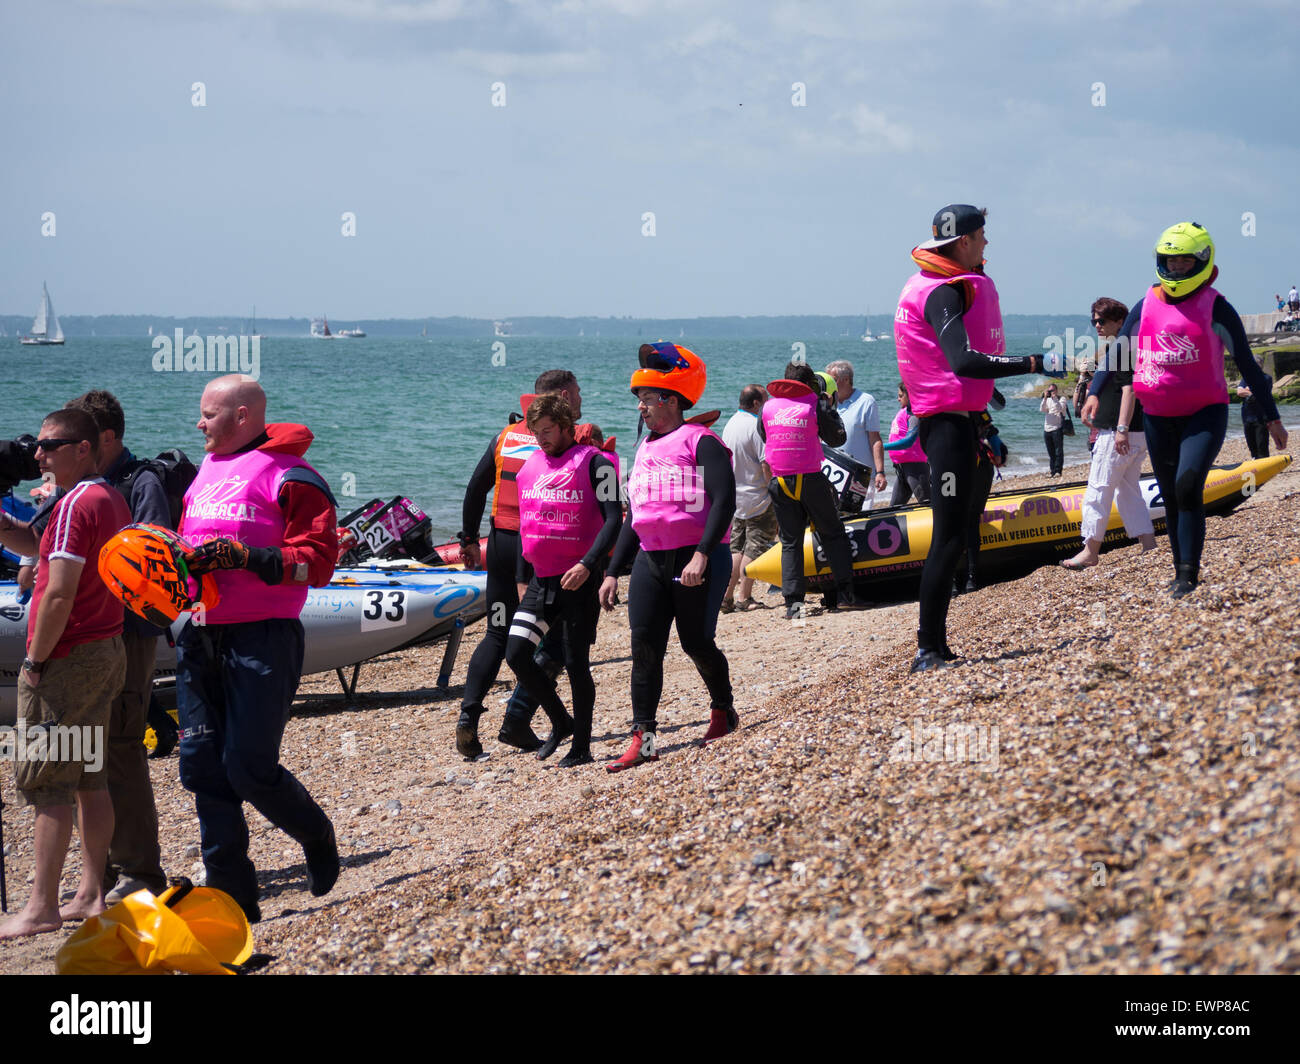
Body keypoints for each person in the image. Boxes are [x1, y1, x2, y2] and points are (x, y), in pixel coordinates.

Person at [176, 375, 340, 923]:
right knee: (202, 769)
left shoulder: (294, 477)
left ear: (243, 415)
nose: (199, 424)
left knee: (248, 767)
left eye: (209, 414)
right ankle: (234, 906)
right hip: (198, 636)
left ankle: (315, 833)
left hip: (263, 635)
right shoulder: (205, 471)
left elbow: (318, 564)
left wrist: (248, 558)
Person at [1094, 222, 1287, 597]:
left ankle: (1188, 573)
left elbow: (1247, 364)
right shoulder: (1147, 302)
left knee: (1187, 483)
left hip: (1205, 413)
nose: (1178, 269)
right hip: (1157, 416)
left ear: (1201, 261)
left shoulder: (1217, 306)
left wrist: (1273, 417)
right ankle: (1179, 569)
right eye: (1171, 261)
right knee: (1170, 490)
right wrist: (1096, 391)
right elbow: (1120, 351)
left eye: (1185, 262)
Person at [894, 204, 1046, 671]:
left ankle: (937, 645)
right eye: (981, 236)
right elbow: (962, 362)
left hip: (960, 424)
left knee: (956, 534)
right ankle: (926, 648)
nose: (986, 244)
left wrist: (986, 417)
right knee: (947, 537)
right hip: (945, 431)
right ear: (962, 241)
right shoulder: (944, 293)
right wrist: (1031, 364)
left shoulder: (937, 285)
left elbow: (959, 373)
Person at [0, 408, 131, 939]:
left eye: (50, 446)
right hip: (104, 647)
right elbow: (41, 550)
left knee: (49, 782)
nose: (38, 455)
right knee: (87, 778)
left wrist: (34, 661)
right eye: (38, 446)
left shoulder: (78, 502)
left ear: (83, 448)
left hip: (68, 655)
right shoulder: (104, 496)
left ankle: (39, 908)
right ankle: (90, 894)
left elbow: (58, 590)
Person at [598, 343, 737, 771]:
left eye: (647, 399)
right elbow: (632, 516)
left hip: (697, 559)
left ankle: (722, 709)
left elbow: (724, 501)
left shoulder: (702, 441)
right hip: (650, 560)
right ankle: (644, 737)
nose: (641, 407)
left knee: (696, 643)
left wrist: (701, 554)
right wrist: (610, 572)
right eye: (639, 399)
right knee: (645, 648)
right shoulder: (642, 450)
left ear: (671, 400)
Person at [454, 369, 599, 758]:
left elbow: (474, 489)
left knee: (497, 633)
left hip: (500, 545)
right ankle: (519, 720)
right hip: (540, 548)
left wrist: (468, 540)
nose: (581, 399)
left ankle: (469, 717)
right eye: (579, 393)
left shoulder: (505, 436)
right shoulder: (580, 441)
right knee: (552, 643)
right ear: (566, 397)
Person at [64, 391, 168, 903]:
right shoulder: (75, 486)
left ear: (107, 437)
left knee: (122, 749)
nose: (72, 447)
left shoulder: (142, 482)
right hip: (86, 635)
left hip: (127, 634)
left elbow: (154, 564)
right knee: (86, 755)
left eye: (81, 438)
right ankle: (96, 878)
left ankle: (141, 872)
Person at [504, 395, 622, 767]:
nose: (541, 439)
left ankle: (582, 746)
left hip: (579, 581)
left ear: (568, 428)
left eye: (548, 431)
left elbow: (615, 517)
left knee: (575, 663)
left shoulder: (597, 464)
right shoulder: (530, 466)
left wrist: (589, 564)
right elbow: (527, 522)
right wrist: (523, 575)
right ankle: (561, 721)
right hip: (541, 581)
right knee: (517, 653)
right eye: (536, 432)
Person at [760, 362, 864, 617]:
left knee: (790, 542)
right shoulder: (815, 405)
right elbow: (837, 438)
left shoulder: (768, 406)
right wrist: (830, 409)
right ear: (811, 384)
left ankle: (793, 606)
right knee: (832, 533)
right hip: (810, 478)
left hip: (781, 481)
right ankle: (844, 596)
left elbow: (766, 435)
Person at [1063, 298, 1156, 570]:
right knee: (1129, 491)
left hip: (1120, 432)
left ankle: (1090, 550)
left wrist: (1121, 430)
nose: (1097, 326)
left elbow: (1130, 390)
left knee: (1098, 489)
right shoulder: (1127, 348)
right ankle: (1148, 544)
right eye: (1094, 321)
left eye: (1102, 321)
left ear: (1120, 321)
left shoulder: (1123, 348)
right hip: (1135, 431)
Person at [720, 384, 774, 612]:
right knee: (755, 547)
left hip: (736, 497)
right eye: (766, 400)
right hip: (758, 496)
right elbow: (765, 462)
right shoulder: (756, 425)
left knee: (736, 549)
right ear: (755, 404)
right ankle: (745, 596)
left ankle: (726, 596)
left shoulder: (730, 424)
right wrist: (774, 487)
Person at [824, 361, 888, 496]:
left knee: (862, 515)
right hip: (831, 475)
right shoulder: (826, 404)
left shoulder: (866, 401)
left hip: (860, 477)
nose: (829, 384)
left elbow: (875, 439)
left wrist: (880, 472)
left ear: (846, 379)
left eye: (833, 380)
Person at [884, 382, 929, 506]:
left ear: (909, 396)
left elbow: (909, 442)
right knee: (893, 508)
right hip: (902, 468)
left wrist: (882, 447)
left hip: (915, 468)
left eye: (900, 395)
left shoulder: (914, 415)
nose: (898, 399)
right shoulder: (904, 412)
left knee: (926, 504)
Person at [1237, 376, 1273, 459]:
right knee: (1251, 445)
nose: (1259, 362)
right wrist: (1251, 393)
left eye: (1261, 361)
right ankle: (1256, 464)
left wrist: (1247, 389)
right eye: (1257, 361)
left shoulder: (1266, 378)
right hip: (1246, 417)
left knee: (1262, 445)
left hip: (1261, 418)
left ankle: (1264, 466)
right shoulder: (1246, 378)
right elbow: (1239, 392)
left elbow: (1263, 394)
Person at [1040, 383, 1069, 477]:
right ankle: (1052, 471)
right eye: (1050, 390)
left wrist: (1054, 398)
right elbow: (1042, 409)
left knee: (1058, 452)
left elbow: (1060, 408)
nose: (1051, 392)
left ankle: (1058, 471)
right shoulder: (1047, 400)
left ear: (1056, 390)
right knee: (1051, 452)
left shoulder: (1062, 399)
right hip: (1047, 429)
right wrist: (1045, 398)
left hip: (1057, 428)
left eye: (1053, 390)